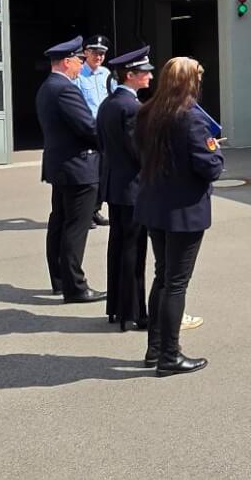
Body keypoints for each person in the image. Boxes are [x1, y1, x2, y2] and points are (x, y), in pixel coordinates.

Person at [135, 57, 223, 376]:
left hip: (154, 204)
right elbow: (210, 166)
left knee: (162, 276)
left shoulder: (147, 112)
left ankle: (155, 348)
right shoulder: (191, 118)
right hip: (184, 209)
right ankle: (169, 356)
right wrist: (216, 152)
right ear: (188, 82)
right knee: (176, 283)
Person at [35, 36, 104, 301]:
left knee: (60, 222)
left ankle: (60, 280)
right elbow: (88, 127)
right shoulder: (65, 89)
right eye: (79, 60)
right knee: (75, 227)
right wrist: (112, 140)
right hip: (78, 167)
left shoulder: (48, 87)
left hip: (61, 166)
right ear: (67, 61)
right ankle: (75, 286)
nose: (81, 65)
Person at [97, 47, 154, 331]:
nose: (150, 76)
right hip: (133, 188)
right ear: (130, 75)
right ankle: (136, 312)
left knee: (118, 246)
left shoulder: (108, 103)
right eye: (145, 73)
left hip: (115, 185)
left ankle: (117, 307)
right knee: (134, 250)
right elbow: (138, 151)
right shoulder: (132, 107)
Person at [77, 37, 111, 223]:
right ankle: (85, 213)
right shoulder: (78, 75)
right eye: (95, 53)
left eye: (102, 53)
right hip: (88, 130)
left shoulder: (106, 74)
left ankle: (95, 210)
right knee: (89, 174)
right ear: (86, 53)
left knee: (103, 173)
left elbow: (114, 96)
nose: (99, 56)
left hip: (105, 130)